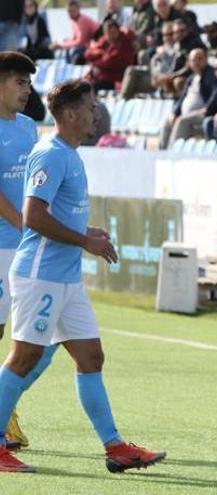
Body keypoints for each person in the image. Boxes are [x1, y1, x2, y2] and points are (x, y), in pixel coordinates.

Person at [0, 79, 165, 474]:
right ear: (70, 114)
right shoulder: (51, 154)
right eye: (91, 108)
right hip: (40, 275)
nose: (97, 115)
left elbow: (53, 213)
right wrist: (83, 241)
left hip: (66, 277)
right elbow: (34, 216)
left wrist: (85, 234)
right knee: (24, 358)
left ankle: (115, 447)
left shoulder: (70, 154)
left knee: (91, 356)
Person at [0, 51, 59, 455]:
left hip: (24, 248)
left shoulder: (27, 127)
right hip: (4, 243)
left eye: (29, 83)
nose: (27, 91)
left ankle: (6, 411)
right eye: (19, 82)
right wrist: (23, 224)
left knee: (29, 335)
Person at [160, 48, 216, 149]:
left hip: (203, 114)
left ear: (206, 60)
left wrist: (205, 110)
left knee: (182, 121)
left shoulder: (211, 76)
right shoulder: (191, 78)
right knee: (168, 121)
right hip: (188, 115)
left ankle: (172, 152)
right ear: (189, 63)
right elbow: (182, 99)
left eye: (200, 59)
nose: (196, 63)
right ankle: (161, 152)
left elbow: (215, 98)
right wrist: (174, 113)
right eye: (193, 60)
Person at [84, 19, 136, 92]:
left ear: (118, 30)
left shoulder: (124, 43)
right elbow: (88, 54)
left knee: (91, 86)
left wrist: (96, 63)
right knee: (83, 84)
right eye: (108, 33)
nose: (110, 35)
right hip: (102, 76)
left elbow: (110, 61)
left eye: (113, 32)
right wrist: (101, 53)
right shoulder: (105, 41)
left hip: (116, 79)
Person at [50, 1, 100, 65]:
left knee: (74, 52)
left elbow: (81, 42)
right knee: (66, 46)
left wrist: (61, 45)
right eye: (69, 11)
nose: (70, 13)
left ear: (78, 10)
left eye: (73, 11)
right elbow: (74, 39)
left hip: (93, 46)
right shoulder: (75, 21)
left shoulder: (82, 20)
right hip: (87, 45)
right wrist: (61, 44)